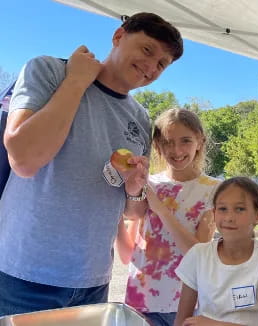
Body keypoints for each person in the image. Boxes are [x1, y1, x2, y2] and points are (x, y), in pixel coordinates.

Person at [0, 13, 183, 317]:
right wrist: (76, 81)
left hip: (93, 281)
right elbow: (24, 158)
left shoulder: (140, 117)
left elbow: (131, 210)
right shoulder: (50, 70)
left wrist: (135, 189)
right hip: (24, 275)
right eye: (148, 50)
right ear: (118, 36)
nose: (152, 67)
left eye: (162, 64)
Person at [115, 108, 220, 326]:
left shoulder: (214, 190)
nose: (177, 150)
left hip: (186, 305)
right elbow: (132, 219)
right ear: (157, 145)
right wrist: (133, 190)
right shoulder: (149, 183)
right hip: (141, 301)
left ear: (200, 141)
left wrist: (161, 209)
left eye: (185, 141)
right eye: (168, 142)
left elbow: (197, 255)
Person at [174, 177, 258, 326]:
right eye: (223, 209)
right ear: (214, 212)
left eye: (240, 209)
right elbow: (181, 321)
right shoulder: (199, 256)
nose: (229, 217)